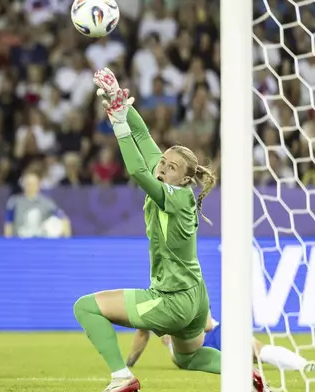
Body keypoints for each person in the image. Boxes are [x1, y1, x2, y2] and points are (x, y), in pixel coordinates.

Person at [72, 68, 266, 392]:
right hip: (195, 297)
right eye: (163, 162)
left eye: (170, 167)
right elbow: (145, 137)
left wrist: (118, 124)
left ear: (186, 180)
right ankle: (243, 372)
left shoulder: (174, 196)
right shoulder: (167, 177)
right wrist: (121, 100)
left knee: (86, 307)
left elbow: (136, 170)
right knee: (187, 359)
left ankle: (122, 377)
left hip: (173, 300)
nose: (161, 168)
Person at [126, 317, 315, 373]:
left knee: (257, 352)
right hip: (192, 350)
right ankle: (302, 365)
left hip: (214, 335)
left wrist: (176, 328)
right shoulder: (159, 304)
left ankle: (303, 364)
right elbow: (142, 331)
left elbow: (207, 324)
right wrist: (129, 364)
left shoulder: (189, 290)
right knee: (255, 353)